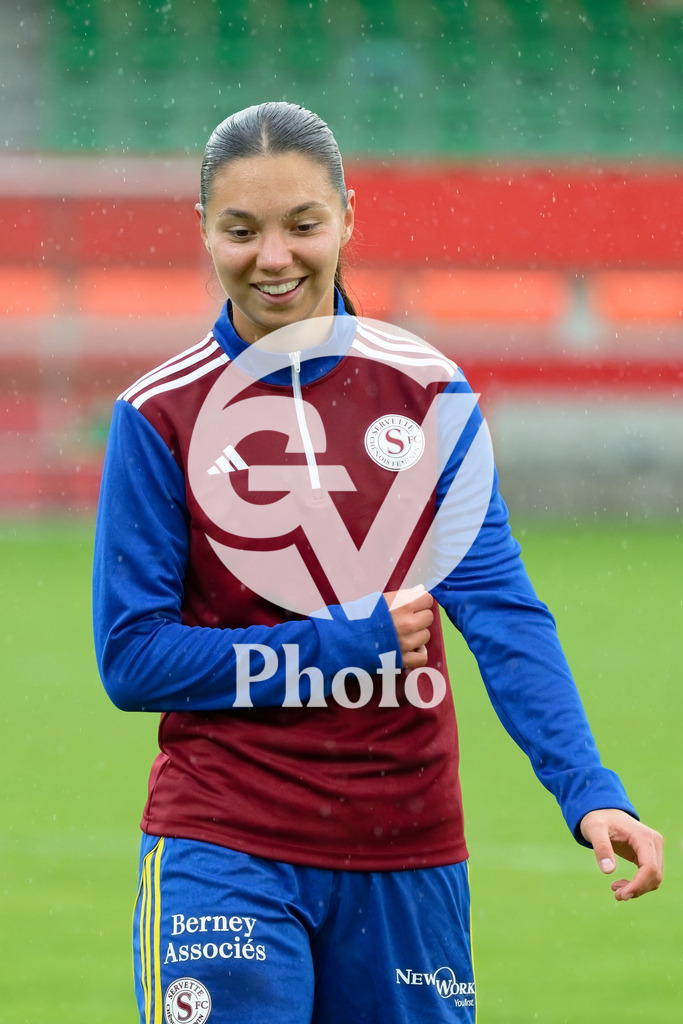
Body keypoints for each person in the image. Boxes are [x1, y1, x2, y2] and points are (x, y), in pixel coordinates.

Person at [92, 102, 662, 1024]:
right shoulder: (157, 416)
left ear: (348, 217)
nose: (272, 257)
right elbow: (133, 659)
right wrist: (340, 645)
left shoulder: (430, 393)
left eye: (302, 225)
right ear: (203, 231)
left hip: (407, 850)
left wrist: (588, 789)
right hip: (224, 840)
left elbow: (500, 609)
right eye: (241, 230)